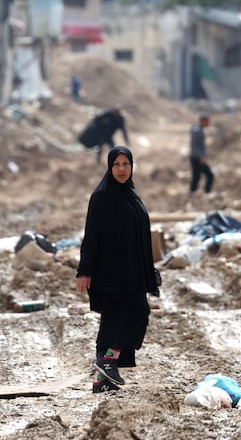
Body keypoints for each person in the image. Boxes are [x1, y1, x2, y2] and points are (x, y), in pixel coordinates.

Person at [76, 146, 160, 394]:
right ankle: (106, 362)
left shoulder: (130, 194)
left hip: (132, 272)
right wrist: (84, 271)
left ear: (132, 167)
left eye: (125, 164)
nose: (121, 169)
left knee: (132, 316)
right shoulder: (102, 196)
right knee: (120, 318)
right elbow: (91, 235)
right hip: (110, 272)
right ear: (109, 167)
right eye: (116, 165)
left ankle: (102, 376)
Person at [189, 114, 213, 194]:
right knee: (205, 175)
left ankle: (197, 192)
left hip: (198, 157)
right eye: (207, 121)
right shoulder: (197, 131)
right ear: (202, 121)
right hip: (197, 158)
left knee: (199, 176)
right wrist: (201, 157)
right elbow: (194, 145)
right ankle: (194, 192)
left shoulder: (200, 130)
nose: (209, 123)